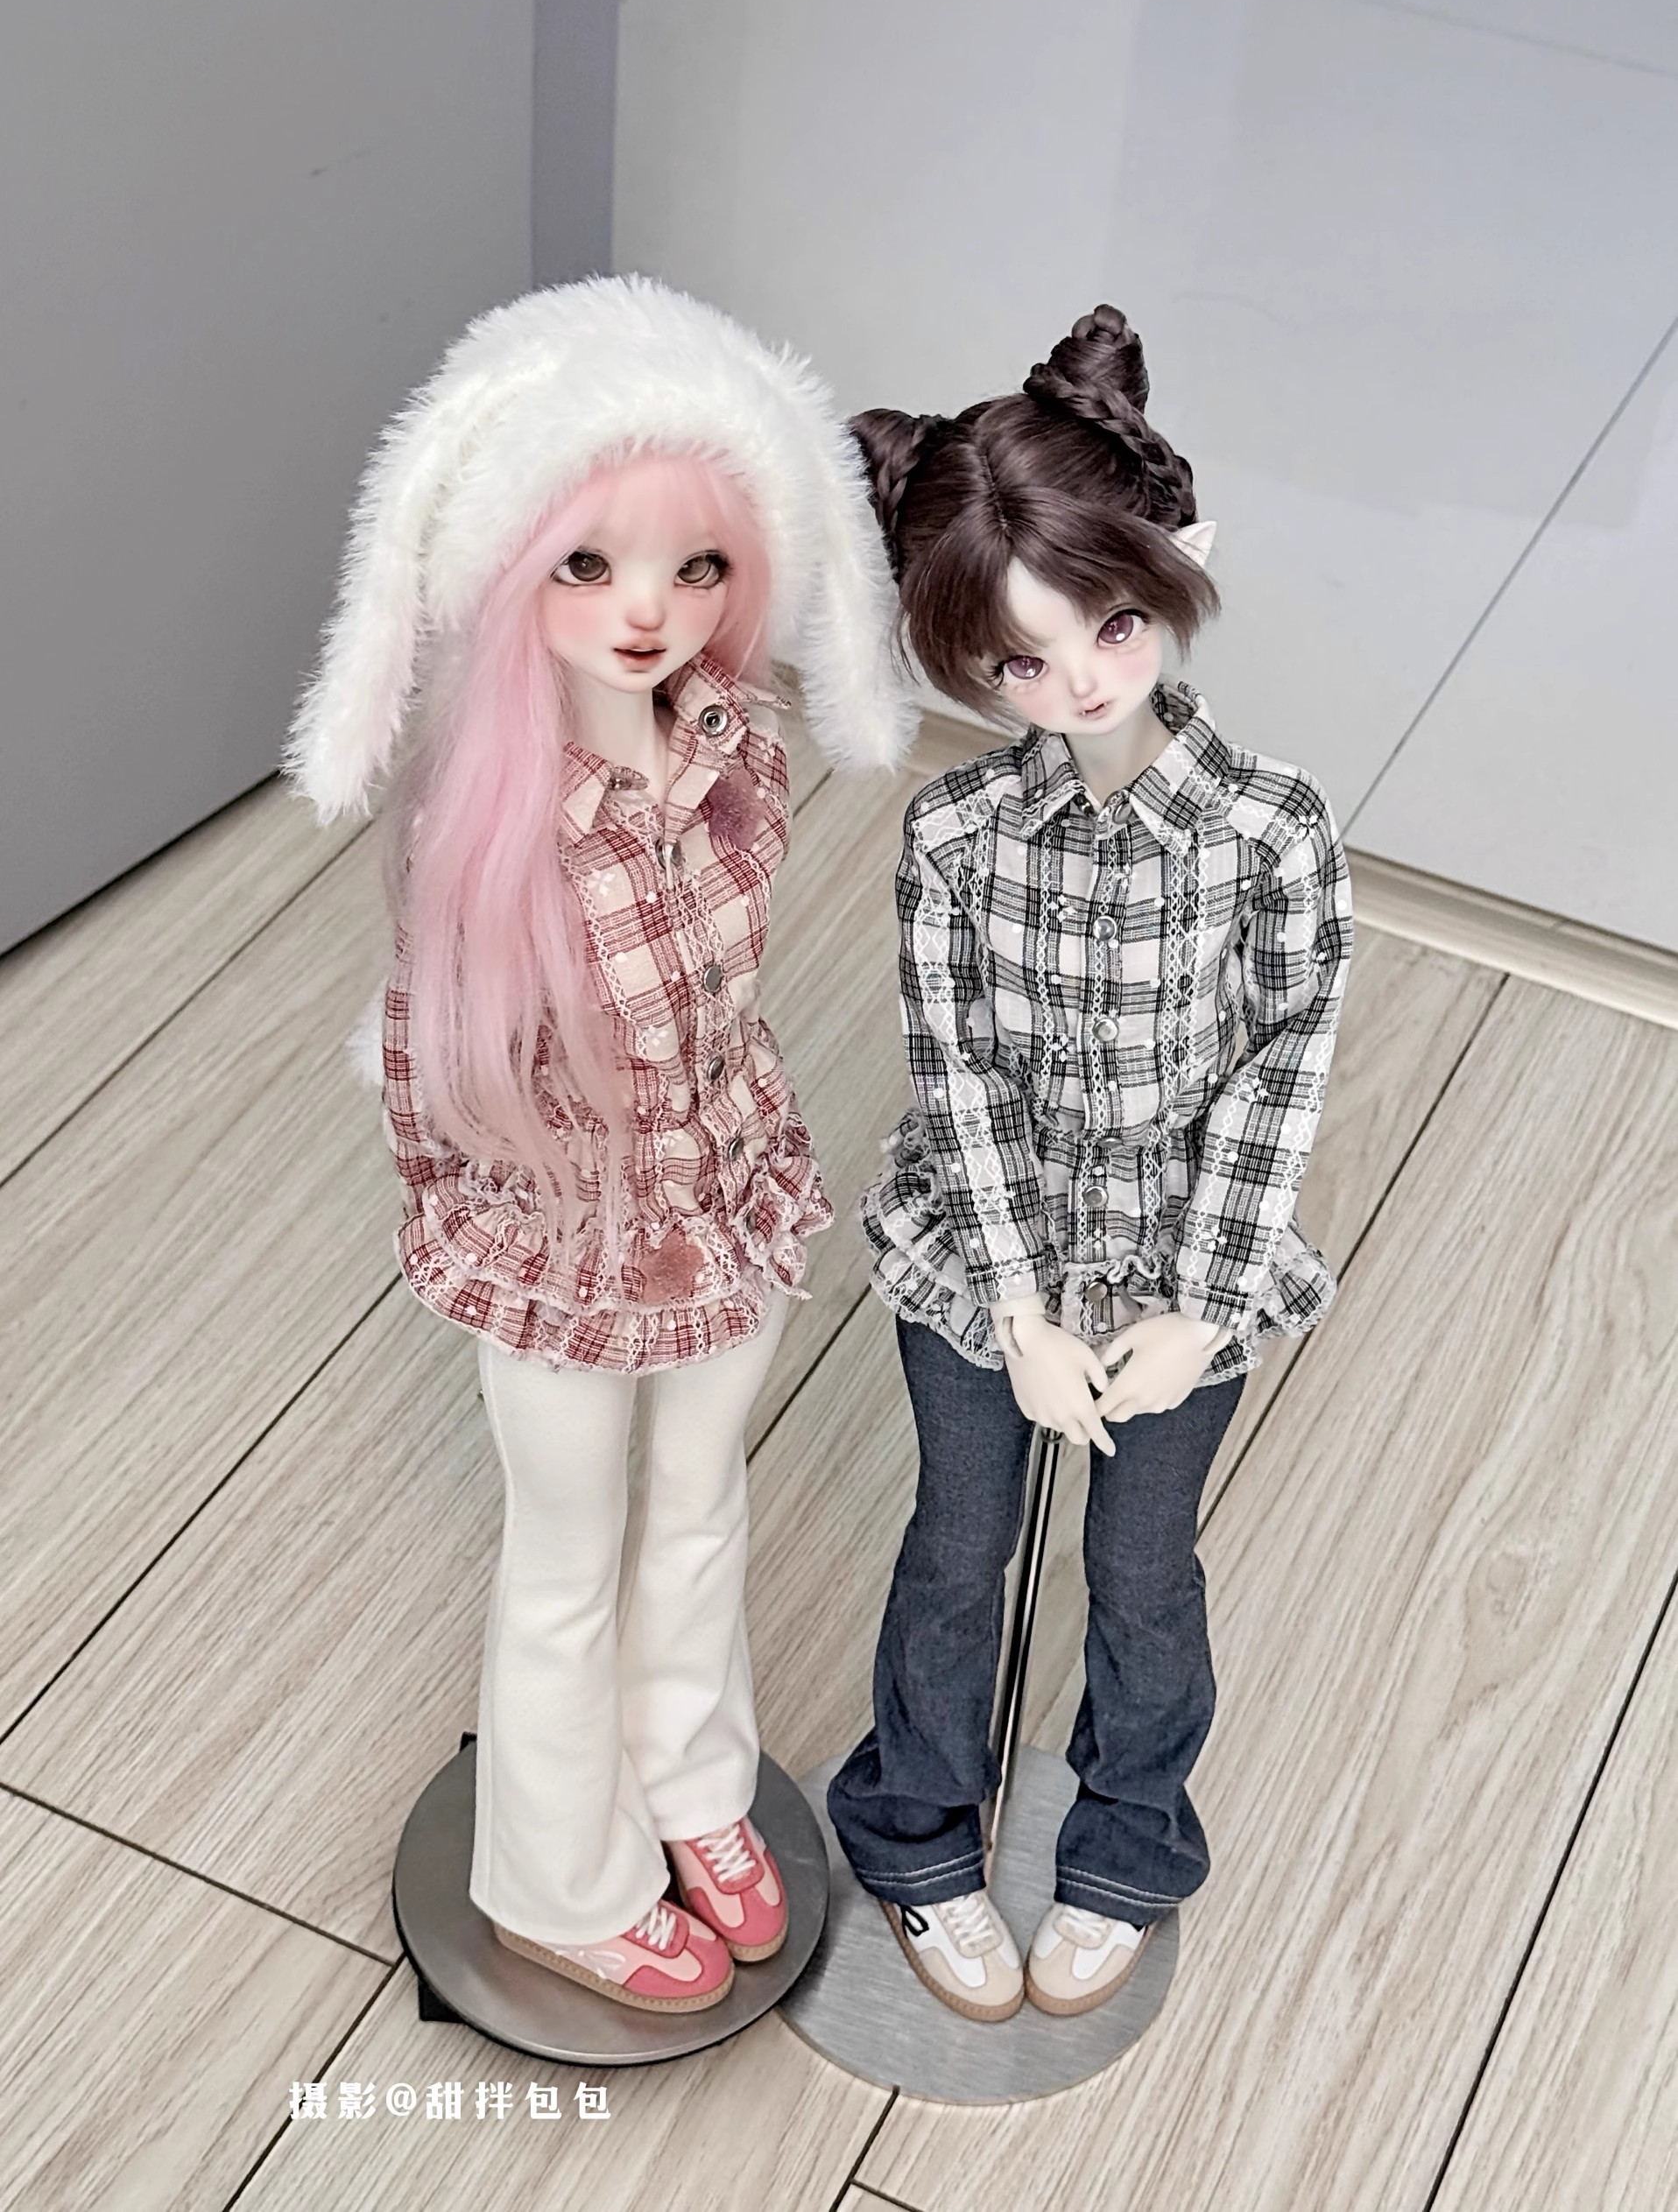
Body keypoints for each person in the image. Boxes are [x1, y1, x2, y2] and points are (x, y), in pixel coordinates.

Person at [287, 274, 914, 2013]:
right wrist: (491, 1211)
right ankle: (554, 1879)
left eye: (695, 567)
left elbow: (724, 999)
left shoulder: (732, 749)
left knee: (701, 1507)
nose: (647, 610)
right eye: (587, 564)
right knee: (563, 1560)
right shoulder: (487, 822)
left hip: (730, 1200)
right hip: (565, 1242)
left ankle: (691, 1780)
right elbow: (425, 1066)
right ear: (506, 569)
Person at [827, 304, 1353, 2022]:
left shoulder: (1274, 829)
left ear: (1180, 558)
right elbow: (957, 1078)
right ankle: (915, 1826)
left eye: (1111, 623)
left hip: (1181, 1265)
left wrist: (1200, 1305)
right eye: (1020, 662)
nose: (1078, 684)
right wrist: (1015, 1312)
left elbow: (1281, 1067)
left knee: (1141, 1564)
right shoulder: (956, 834)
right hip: (983, 1256)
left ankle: (1128, 1838)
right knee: (957, 1543)